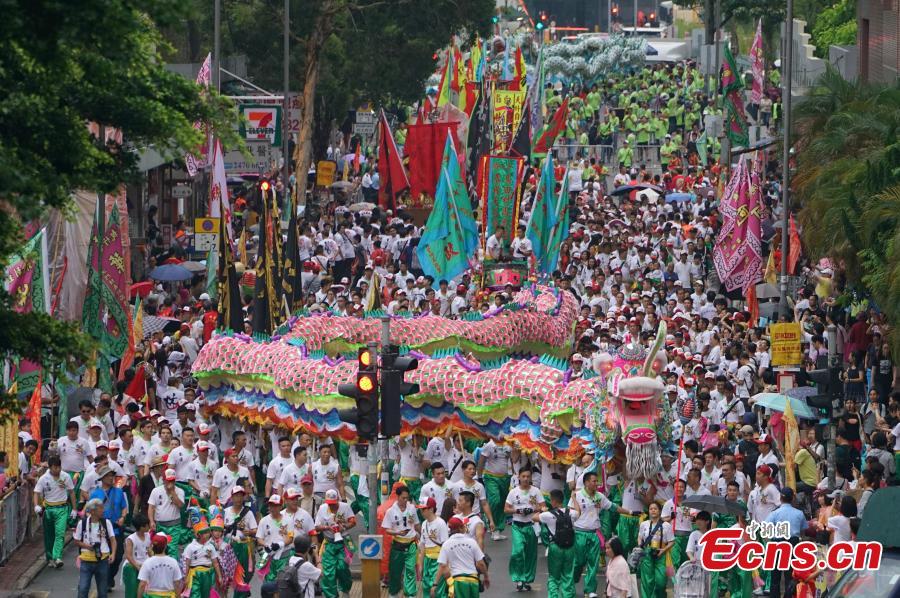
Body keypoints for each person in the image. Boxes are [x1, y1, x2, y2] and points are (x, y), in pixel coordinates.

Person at [570, 471, 637, 598]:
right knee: (578, 562)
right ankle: (572, 581)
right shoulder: (577, 496)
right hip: (579, 533)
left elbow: (613, 507)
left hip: (594, 534)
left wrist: (630, 512)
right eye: (594, 481)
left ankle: (589, 590)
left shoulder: (599, 496)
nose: (597, 483)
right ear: (586, 482)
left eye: (597, 481)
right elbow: (571, 513)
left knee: (593, 563)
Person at [504, 467, 545, 591]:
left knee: (530, 554)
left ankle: (526, 579)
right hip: (517, 526)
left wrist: (533, 510)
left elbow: (543, 507)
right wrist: (518, 510)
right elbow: (506, 509)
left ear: (531, 477)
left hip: (531, 526)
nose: (526, 479)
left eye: (528, 476)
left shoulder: (536, 491)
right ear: (519, 477)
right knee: (517, 552)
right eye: (523, 476)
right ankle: (518, 578)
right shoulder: (513, 492)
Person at [88, 465, 129, 590]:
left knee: (117, 557)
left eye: (112, 475)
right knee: (103, 557)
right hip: (101, 529)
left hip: (116, 528)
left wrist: (122, 517)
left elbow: (124, 507)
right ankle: (104, 581)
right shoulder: (96, 493)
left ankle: (109, 577)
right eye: (109, 476)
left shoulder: (119, 491)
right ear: (102, 478)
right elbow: (90, 511)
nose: (112, 478)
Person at [33, 455, 77, 568]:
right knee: (49, 535)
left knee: (60, 533)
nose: (57, 470)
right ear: (50, 467)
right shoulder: (43, 478)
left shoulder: (65, 476)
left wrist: (75, 509)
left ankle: (57, 557)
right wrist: (36, 506)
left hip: (62, 509)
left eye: (58, 467)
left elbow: (72, 492)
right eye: (54, 468)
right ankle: (50, 557)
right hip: (48, 510)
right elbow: (36, 493)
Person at [765, 487, 807, 598]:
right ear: (792, 498)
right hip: (793, 544)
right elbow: (803, 530)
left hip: (777, 544)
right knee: (791, 575)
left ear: (780, 498)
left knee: (775, 576)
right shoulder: (799, 513)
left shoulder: (774, 513)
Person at [433, 516, 490, 598]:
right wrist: (486, 576)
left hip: (458, 581)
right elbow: (480, 563)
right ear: (461, 528)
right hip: (473, 581)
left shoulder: (446, 544)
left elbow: (442, 565)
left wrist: (435, 584)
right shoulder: (471, 542)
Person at [534, 488, 576, 597]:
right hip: (570, 547)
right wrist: (574, 499)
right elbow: (579, 512)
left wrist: (542, 510)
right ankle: (568, 595)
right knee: (568, 575)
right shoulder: (571, 513)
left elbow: (534, 518)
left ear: (553, 501)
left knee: (554, 576)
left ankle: (553, 596)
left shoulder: (548, 515)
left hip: (555, 547)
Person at [314, 488, 355, 598]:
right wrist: (327, 527)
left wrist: (344, 526)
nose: (331, 506)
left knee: (342, 567)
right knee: (328, 573)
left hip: (343, 542)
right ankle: (331, 595)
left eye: (334, 504)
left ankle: (345, 590)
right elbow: (317, 527)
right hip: (329, 543)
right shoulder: (322, 509)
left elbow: (353, 521)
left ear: (338, 500)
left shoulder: (345, 507)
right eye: (329, 504)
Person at [75, 498, 117, 598]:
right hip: (86, 560)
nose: (103, 510)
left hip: (103, 560)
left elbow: (113, 540)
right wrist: (87, 546)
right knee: (83, 589)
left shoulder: (106, 523)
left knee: (102, 591)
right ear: (93, 511)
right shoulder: (83, 523)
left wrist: (113, 554)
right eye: (101, 508)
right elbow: (77, 541)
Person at [383, 485, 420, 598]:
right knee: (395, 571)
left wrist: (422, 535)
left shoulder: (412, 508)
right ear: (397, 497)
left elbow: (417, 524)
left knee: (410, 570)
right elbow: (387, 529)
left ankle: (410, 594)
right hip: (398, 544)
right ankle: (393, 593)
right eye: (403, 498)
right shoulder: (390, 511)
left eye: (407, 498)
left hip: (411, 543)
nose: (405, 500)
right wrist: (397, 533)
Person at [224, 485, 257, 598]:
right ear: (232, 498)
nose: (238, 498)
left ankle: (241, 594)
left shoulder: (248, 513)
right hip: (229, 547)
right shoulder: (225, 512)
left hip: (244, 547)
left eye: (240, 496)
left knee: (243, 574)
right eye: (236, 496)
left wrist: (248, 532)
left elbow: (255, 530)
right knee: (227, 575)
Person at [637, 501, 674, 598]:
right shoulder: (644, 524)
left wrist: (664, 550)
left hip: (661, 553)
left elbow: (672, 541)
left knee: (661, 582)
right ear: (648, 511)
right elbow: (640, 537)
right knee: (647, 581)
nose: (653, 510)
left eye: (655, 509)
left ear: (660, 511)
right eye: (651, 509)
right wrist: (640, 546)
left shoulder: (666, 525)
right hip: (647, 553)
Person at [477, 439, 511, 541]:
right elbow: (481, 461)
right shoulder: (489, 445)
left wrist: (513, 451)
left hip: (505, 477)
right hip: (491, 477)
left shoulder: (508, 444)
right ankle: (491, 524)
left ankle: (498, 529)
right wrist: (479, 476)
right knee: (495, 500)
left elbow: (513, 459)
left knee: (502, 503)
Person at [147, 468, 186, 558]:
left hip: (174, 526)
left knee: (172, 549)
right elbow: (151, 507)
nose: (170, 483)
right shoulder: (156, 491)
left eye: (172, 481)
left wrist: (172, 492)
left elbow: (180, 505)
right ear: (163, 480)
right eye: (168, 481)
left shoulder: (180, 491)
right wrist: (152, 521)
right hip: (160, 525)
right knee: (158, 549)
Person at [182, 516, 223, 598]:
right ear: (199, 534)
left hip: (208, 574)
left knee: (206, 595)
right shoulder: (190, 547)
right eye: (206, 532)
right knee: (195, 594)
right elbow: (187, 564)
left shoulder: (211, 546)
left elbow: (215, 563)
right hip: (195, 574)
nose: (208, 534)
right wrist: (185, 577)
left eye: (208, 532)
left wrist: (219, 576)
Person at [255, 493, 294, 581]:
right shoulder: (263, 520)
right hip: (268, 555)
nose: (273, 508)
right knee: (268, 583)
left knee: (282, 582)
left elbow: (290, 538)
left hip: (283, 556)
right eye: (271, 505)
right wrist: (265, 545)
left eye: (276, 506)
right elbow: (259, 539)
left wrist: (280, 544)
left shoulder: (288, 520)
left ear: (281, 506)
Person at [417, 496, 450, 598]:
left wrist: (446, 566)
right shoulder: (424, 524)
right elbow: (422, 545)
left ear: (431, 509)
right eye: (420, 509)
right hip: (427, 560)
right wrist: (420, 564)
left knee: (437, 590)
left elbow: (446, 546)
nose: (421, 512)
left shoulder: (440, 523)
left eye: (423, 509)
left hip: (438, 562)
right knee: (426, 587)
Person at [137, 533, 184, 597]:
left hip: (152, 596)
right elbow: (177, 583)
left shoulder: (147, 562)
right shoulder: (173, 562)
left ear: (153, 546)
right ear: (165, 546)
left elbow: (142, 584)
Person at [122, 513, 152, 598]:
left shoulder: (148, 536)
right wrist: (138, 568)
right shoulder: (131, 539)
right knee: (132, 591)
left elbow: (149, 551)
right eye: (147, 525)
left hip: (144, 565)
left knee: (146, 591)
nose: (148, 526)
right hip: (133, 566)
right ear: (141, 527)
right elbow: (128, 556)